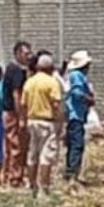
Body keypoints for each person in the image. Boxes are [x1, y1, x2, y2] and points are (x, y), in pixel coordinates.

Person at [22, 52, 63, 196]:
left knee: (32, 154)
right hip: (47, 122)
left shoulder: (29, 82)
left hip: (32, 121)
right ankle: (44, 188)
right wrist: (60, 121)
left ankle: (31, 186)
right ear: (50, 68)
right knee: (46, 156)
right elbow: (56, 104)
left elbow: (24, 104)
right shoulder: (52, 82)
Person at [2, 42, 32, 187]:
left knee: (11, 146)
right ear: (18, 54)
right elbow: (16, 95)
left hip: (11, 113)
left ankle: (8, 175)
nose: (29, 56)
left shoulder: (10, 69)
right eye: (26, 54)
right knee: (17, 146)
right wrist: (21, 117)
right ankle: (15, 178)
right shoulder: (17, 71)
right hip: (14, 113)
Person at [63, 50, 95, 182]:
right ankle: (72, 174)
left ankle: (70, 172)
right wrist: (88, 99)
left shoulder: (75, 75)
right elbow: (76, 92)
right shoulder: (77, 76)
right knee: (77, 145)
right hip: (76, 115)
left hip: (76, 115)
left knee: (73, 144)